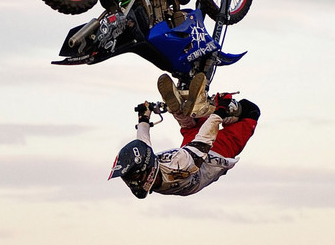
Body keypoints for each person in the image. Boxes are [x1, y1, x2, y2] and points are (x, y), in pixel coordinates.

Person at [108, 73, 259, 198]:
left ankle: (182, 111)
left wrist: (144, 119)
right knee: (250, 110)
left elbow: (143, 144)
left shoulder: (151, 171)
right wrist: (220, 109)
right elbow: (205, 139)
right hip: (215, 155)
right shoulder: (179, 166)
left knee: (192, 128)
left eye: (129, 178)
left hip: (191, 147)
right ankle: (183, 112)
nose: (131, 182)